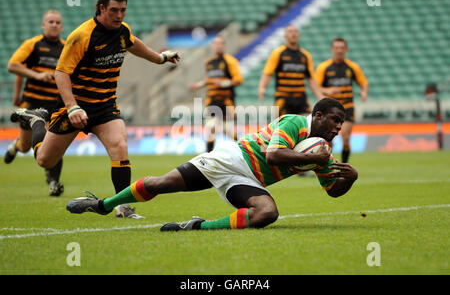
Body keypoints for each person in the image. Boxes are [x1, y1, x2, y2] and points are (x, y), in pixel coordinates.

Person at [10, 0, 180, 218]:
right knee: (44, 160)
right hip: (74, 108)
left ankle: (123, 206)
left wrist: (160, 58)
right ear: (101, 8)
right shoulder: (82, 36)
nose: (119, 16)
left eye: (123, 10)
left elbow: (134, 44)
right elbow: (61, 73)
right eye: (114, 11)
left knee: (119, 147)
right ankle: (36, 120)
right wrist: (72, 107)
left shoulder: (123, 31)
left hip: (105, 106)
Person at [66, 98, 358, 231]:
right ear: (318, 116)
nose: (338, 128)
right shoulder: (294, 122)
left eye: (341, 124)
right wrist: (313, 159)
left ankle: (197, 226)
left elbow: (332, 190)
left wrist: (350, 178)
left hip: (248, 182)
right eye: (335, 121)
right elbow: (273, 156)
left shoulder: (322, 151)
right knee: (163, 184)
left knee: (267, 213)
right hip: (229, 159)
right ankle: (104, 204)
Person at [5, 10, 65, 196]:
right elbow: (14, 66)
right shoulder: (33, 45)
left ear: (62, 26)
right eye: (50, 21)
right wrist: (36, 77)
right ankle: (15, 147)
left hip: (53, 105)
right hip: (31, 104)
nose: (54, 25)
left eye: (57, 22)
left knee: (53, 142)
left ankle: (54, 182)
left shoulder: (66, 47)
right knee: (25, 146)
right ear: (43, 25)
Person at [258, 25, 333, 116]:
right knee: (284, 127)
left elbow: (311, 79)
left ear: (298, 35)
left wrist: (320, 96)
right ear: (285, 36)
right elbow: (268, 73)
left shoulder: (305, 55)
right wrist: (262, 87)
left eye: (295, 31)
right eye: (290, 31)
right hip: (283, 97)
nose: (293, 34)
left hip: (300, 98)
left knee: (306, 125)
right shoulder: (278, 53)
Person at [315, 37, 369, 163]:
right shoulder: (324, 67)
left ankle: (345, 165)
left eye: (342, 48)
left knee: (345, 139)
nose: (339, 50)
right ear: (332, 50)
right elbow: (316, 87)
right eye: (336, 48)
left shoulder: (352, 67)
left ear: (346, 50)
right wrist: (327, 91)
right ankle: (327, 165)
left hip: (347, 108)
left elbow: (364, 83)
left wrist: (364, 92)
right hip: (330, 109)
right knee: (328, 140)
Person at [189, 35, 243, 152]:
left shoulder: (230, 61)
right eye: (216, 43)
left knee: (228, 130)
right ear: (213, 46)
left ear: (224, 46)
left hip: (226, 101)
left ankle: (241, 151)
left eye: (220, 43)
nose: (218, 46)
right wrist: (197, 85)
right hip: (212, 100)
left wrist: (223, 83)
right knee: (210, 128)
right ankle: (208, 156)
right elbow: (208, 80)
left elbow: (238, 79)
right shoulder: (209, 62)